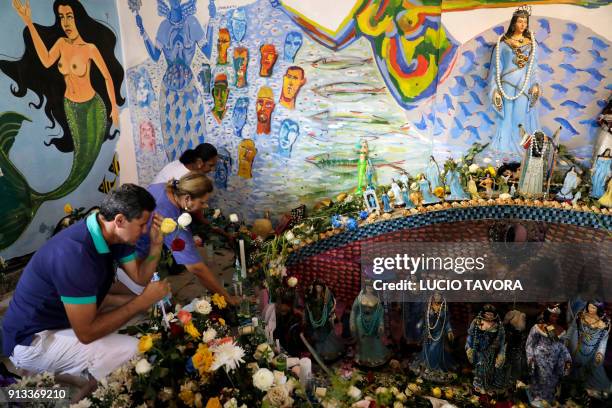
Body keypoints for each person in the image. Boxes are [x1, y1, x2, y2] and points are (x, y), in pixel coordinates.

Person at [2, 185, 170, 396]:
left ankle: (85, 380)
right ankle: (84, 390)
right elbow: (87, 333)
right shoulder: (75, 254)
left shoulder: (111, 232)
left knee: (133, 318)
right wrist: (142, 301)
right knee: (132, 349)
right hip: (31, 340)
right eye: (142, 224)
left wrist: (156, 246)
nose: (145, 230)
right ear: (119, 220)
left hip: (59, 319)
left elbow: (140, 278)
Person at [136, 173, 238, 305]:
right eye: (202, 202)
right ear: (187, 198)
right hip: (135, 261)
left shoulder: (163, 188)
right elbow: (196, 268)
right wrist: (227, 298)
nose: (204, 206)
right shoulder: (169, 219)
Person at [487, 6, 540, 156]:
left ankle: (520, 148)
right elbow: (496, 68)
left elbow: (534, 68)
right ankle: (503, 147)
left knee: (520, 117)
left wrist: (536, 85)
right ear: (513, 23)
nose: (523, 25)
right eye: (520, 21)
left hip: (524, 84)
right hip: (507, 84)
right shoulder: (503, 43)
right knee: (506, 117)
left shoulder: (532, 44)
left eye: (525, 22)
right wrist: (495, 89)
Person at [152, 143, 218, 184]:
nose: (213, 169)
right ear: (199, 162)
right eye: (211, 165)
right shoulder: (184, 178)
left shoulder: (184, 163)